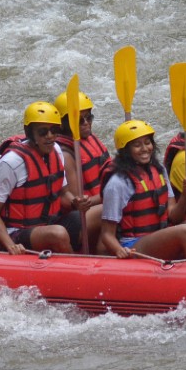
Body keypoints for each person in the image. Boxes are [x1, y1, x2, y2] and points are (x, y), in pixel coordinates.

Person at [0, 101, 90, 255]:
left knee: (96, 214)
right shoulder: (11, 162)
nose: (50, 136)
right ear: (30, 133)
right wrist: (9, 244)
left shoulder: (56, 150)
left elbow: (63, 193)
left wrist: (75, 202)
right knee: (57, 233)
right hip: (17, 232)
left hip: (49, 222)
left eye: (54, 131)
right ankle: (78, 268)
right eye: (43, 132)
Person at [100, 120, 186, 260]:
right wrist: (119, 250)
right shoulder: (118, 183)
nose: (145, 148)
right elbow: (107, 234)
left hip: (160, 234)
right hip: (134, 245)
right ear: (126, 150)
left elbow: (174, 216)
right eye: (137, 145)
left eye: (147, 142)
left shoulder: (159, 170)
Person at [53, 89, 111, 252]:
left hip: (94, 210)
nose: (86, 123)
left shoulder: (89, 140)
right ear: (64, 123)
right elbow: (78, 203)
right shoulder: (65, 154)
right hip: (73, 221)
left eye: (89, 117)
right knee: (116, 206)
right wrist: (114, 195)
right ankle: (104, 254)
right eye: (80, 120)